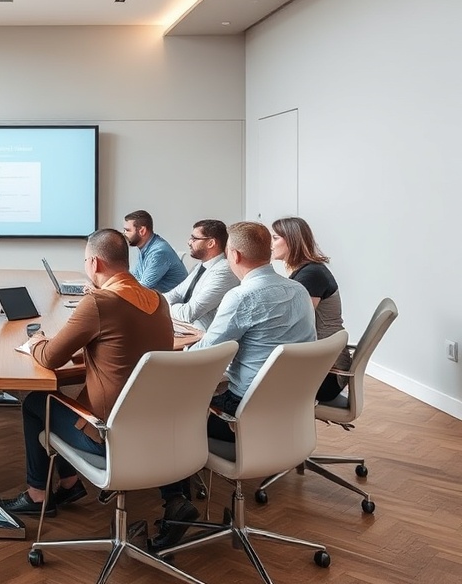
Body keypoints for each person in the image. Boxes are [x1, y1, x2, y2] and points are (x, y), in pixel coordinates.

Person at [150, 221, 316, 551]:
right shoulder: (297, 290)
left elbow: (205, 357)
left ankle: (176, 506)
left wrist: (159, 359)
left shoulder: (241, 297)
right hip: (291, 416)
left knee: (164, 418)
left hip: (241, 417)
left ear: (233, 254)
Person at [0, 228, 173, 517]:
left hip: (110, 438)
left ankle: (37, 495)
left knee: (35, 402)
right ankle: (69, 484)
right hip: (157, 431)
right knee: (61, 402)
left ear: (94, 264)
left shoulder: (99, 303)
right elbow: (122, 345)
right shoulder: (157, 299)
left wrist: (37, 340)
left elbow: (50, 358)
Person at [271, 216, 350, 402]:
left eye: (275, 238)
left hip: (328, 373)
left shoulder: (311, 275)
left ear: (291, 240)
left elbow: (296, 325)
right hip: (321, 363)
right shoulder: (306, 271)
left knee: (250, 382)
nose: (270, 244)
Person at [162, 219, 239, 330]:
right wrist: (163, 305)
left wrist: (164, 307)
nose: (189, 242)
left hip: (201, 335)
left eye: (194, 238)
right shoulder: (201, 266)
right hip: (183, 325)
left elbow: (189, 314)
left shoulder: (224, 271)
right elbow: (176, 294)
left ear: (211, 243)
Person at [122, 209, 187, 292]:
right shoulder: (145, 247)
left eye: (127, 230)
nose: (124, 234)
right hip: (157, 298)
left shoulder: (158, 252)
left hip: (169, 302)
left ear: (142, 231)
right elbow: (135, 277)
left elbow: (143, 288)